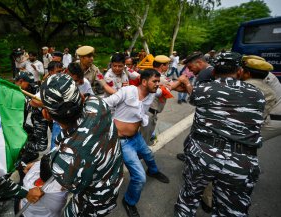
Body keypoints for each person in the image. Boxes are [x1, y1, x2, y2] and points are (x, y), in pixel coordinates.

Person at [174, 52, 265, 217]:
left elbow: (194, 97)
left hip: (203, 155)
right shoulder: (257, 94)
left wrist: (186, 84)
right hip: (240, 159)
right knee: (231, 209)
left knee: (189, 198)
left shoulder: (203, 89)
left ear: (214, 71)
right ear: (239, 71)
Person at [40, 74, 123, 217]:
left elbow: (67, 181)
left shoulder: (65, 161)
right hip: (113, 178)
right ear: (83, 98)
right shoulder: (97, 104)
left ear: (47, 115)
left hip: (94, 202)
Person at [103, 69, 169, 217]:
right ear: (144, 82)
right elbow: (105, 103)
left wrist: (182, 83)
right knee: (139, 177)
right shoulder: (127, 91)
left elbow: (167, 89)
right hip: (122, 142)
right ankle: (129, 201)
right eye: (155, 81)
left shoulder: (153, 92)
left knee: (149, 155)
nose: (157, 84)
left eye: (158, 81)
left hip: (136, 137)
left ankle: (153, 171)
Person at [240, 55, 281, 141]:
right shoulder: (262, 73)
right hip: (273, 115)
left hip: (273, 118)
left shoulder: (256, 82)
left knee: (242, 141)